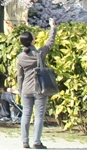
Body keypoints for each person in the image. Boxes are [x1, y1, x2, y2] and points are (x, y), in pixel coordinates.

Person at [17, 18, 57, 149]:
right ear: (32, 41)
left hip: (26, 89)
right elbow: (50, 43)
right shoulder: (39, 53)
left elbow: (20, 76)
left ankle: (24, 141)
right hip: (39, 88)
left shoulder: (20, 57)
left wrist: (20, 90)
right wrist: (53, 27)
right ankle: (36, 142)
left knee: (26, 114)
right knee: (39, 115)